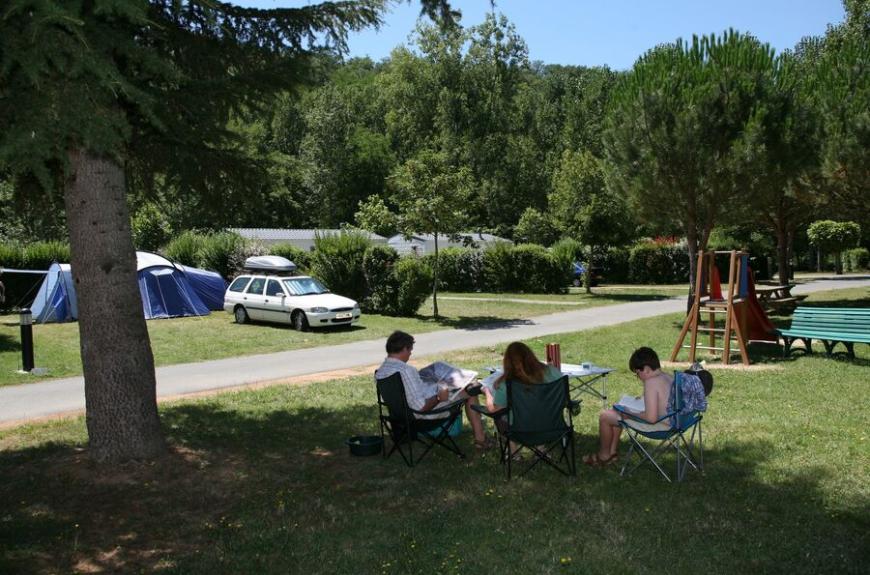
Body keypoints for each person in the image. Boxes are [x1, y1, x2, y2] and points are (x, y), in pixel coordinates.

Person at [375, 330, 492, 449]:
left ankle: (480, 437)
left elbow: (411, 394)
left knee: (448, 384)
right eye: (410, 350)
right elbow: (420, 408)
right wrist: (438, 397)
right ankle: (480, 439)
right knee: (470, 391)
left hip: (400, 417)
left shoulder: (381, 371)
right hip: (422, 418)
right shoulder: (405, 370)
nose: (410, 354)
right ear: (405, 349)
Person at [582, 346, 672, 466]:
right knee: (617, 411)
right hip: (672, 422)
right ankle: (612, 453)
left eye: (637, 373)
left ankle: (603, 456)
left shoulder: (651, 383)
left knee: (605, 416)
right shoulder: (669, 377)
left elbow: (651, 419)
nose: (638, 378)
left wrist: (629, 415)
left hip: (659, 426)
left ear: (646, 369)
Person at [482, 341, 563, 417]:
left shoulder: (507, 383)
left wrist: (487, 392)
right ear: (531, 356)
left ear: (507, 362)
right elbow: (564, 400)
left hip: (520, 429)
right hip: (555, 427)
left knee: (501, 415)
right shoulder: (553, 371)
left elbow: (493, 410)